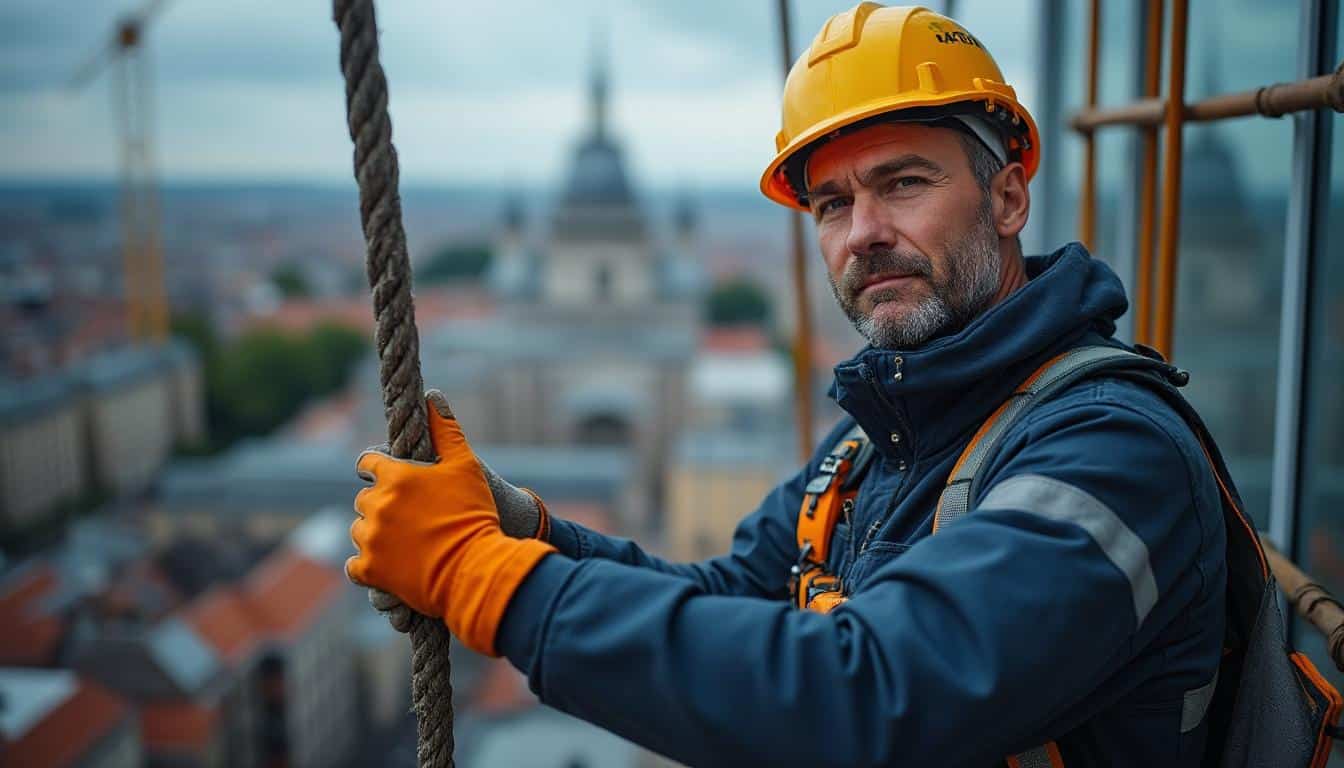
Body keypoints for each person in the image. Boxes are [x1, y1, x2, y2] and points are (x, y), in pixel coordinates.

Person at [346, 5, 1230, 766]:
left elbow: (865, 698)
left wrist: (487, 580)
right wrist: (526, 530)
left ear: (1007, 200)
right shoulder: (879, 440)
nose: (864, 233)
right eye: (833, 204)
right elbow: (728, 598)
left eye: (903, 183)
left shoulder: (1112, 454)